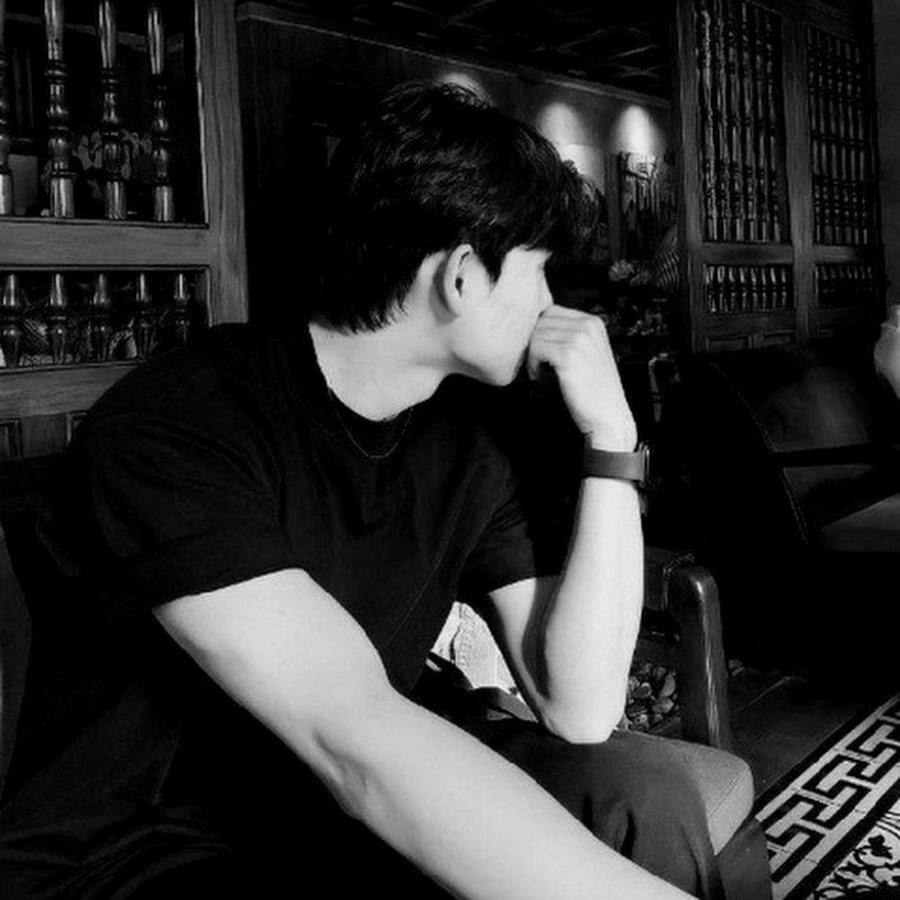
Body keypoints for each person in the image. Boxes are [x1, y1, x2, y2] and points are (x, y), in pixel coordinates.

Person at [0, 83, 723, 899]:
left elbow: (579, 709)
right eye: (539, 271)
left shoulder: (469, 444)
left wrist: (612, 438)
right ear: (461, 276)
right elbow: (356, 738)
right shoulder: (183, 421)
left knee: (640, 795)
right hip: (149, 843)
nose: (552, 306)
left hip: (327, 797)